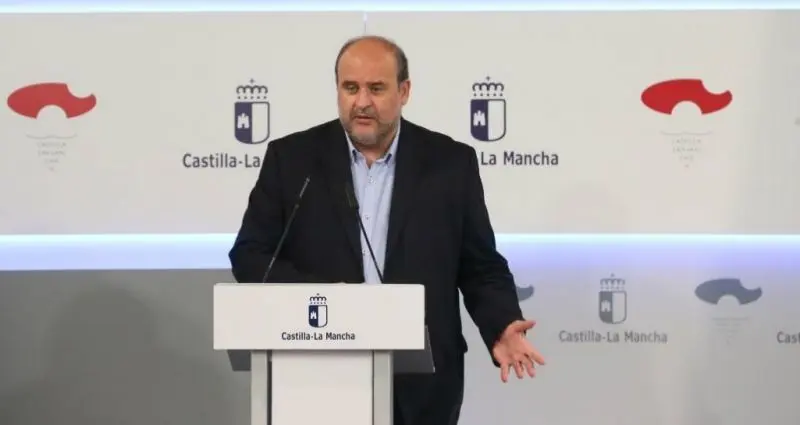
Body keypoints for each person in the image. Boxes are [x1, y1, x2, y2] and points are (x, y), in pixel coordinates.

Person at [228, 34, 545, 425]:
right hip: (317, 373)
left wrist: (501, 324)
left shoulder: (450, 164)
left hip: (422, 384)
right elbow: (250, 255)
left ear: (404, 91)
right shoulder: (293, 160)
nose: (362, 102)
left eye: (376, 88)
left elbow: (480, 265)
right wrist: (329, 300)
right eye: (350, 88)